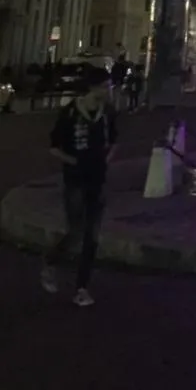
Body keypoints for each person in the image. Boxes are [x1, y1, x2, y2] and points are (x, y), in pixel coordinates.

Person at [40, 65, 117, 306]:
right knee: (76, 231)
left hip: (98, 179)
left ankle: (82, 288)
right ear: (93, 87)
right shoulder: (71, 113)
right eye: (105, 86)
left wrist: (107, 158)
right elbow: (54, 146)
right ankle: (51, 263)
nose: (109, 90)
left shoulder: (108, 112)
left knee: (92, 236)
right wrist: (73, 161)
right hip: (75, 179)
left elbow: (115, 139)